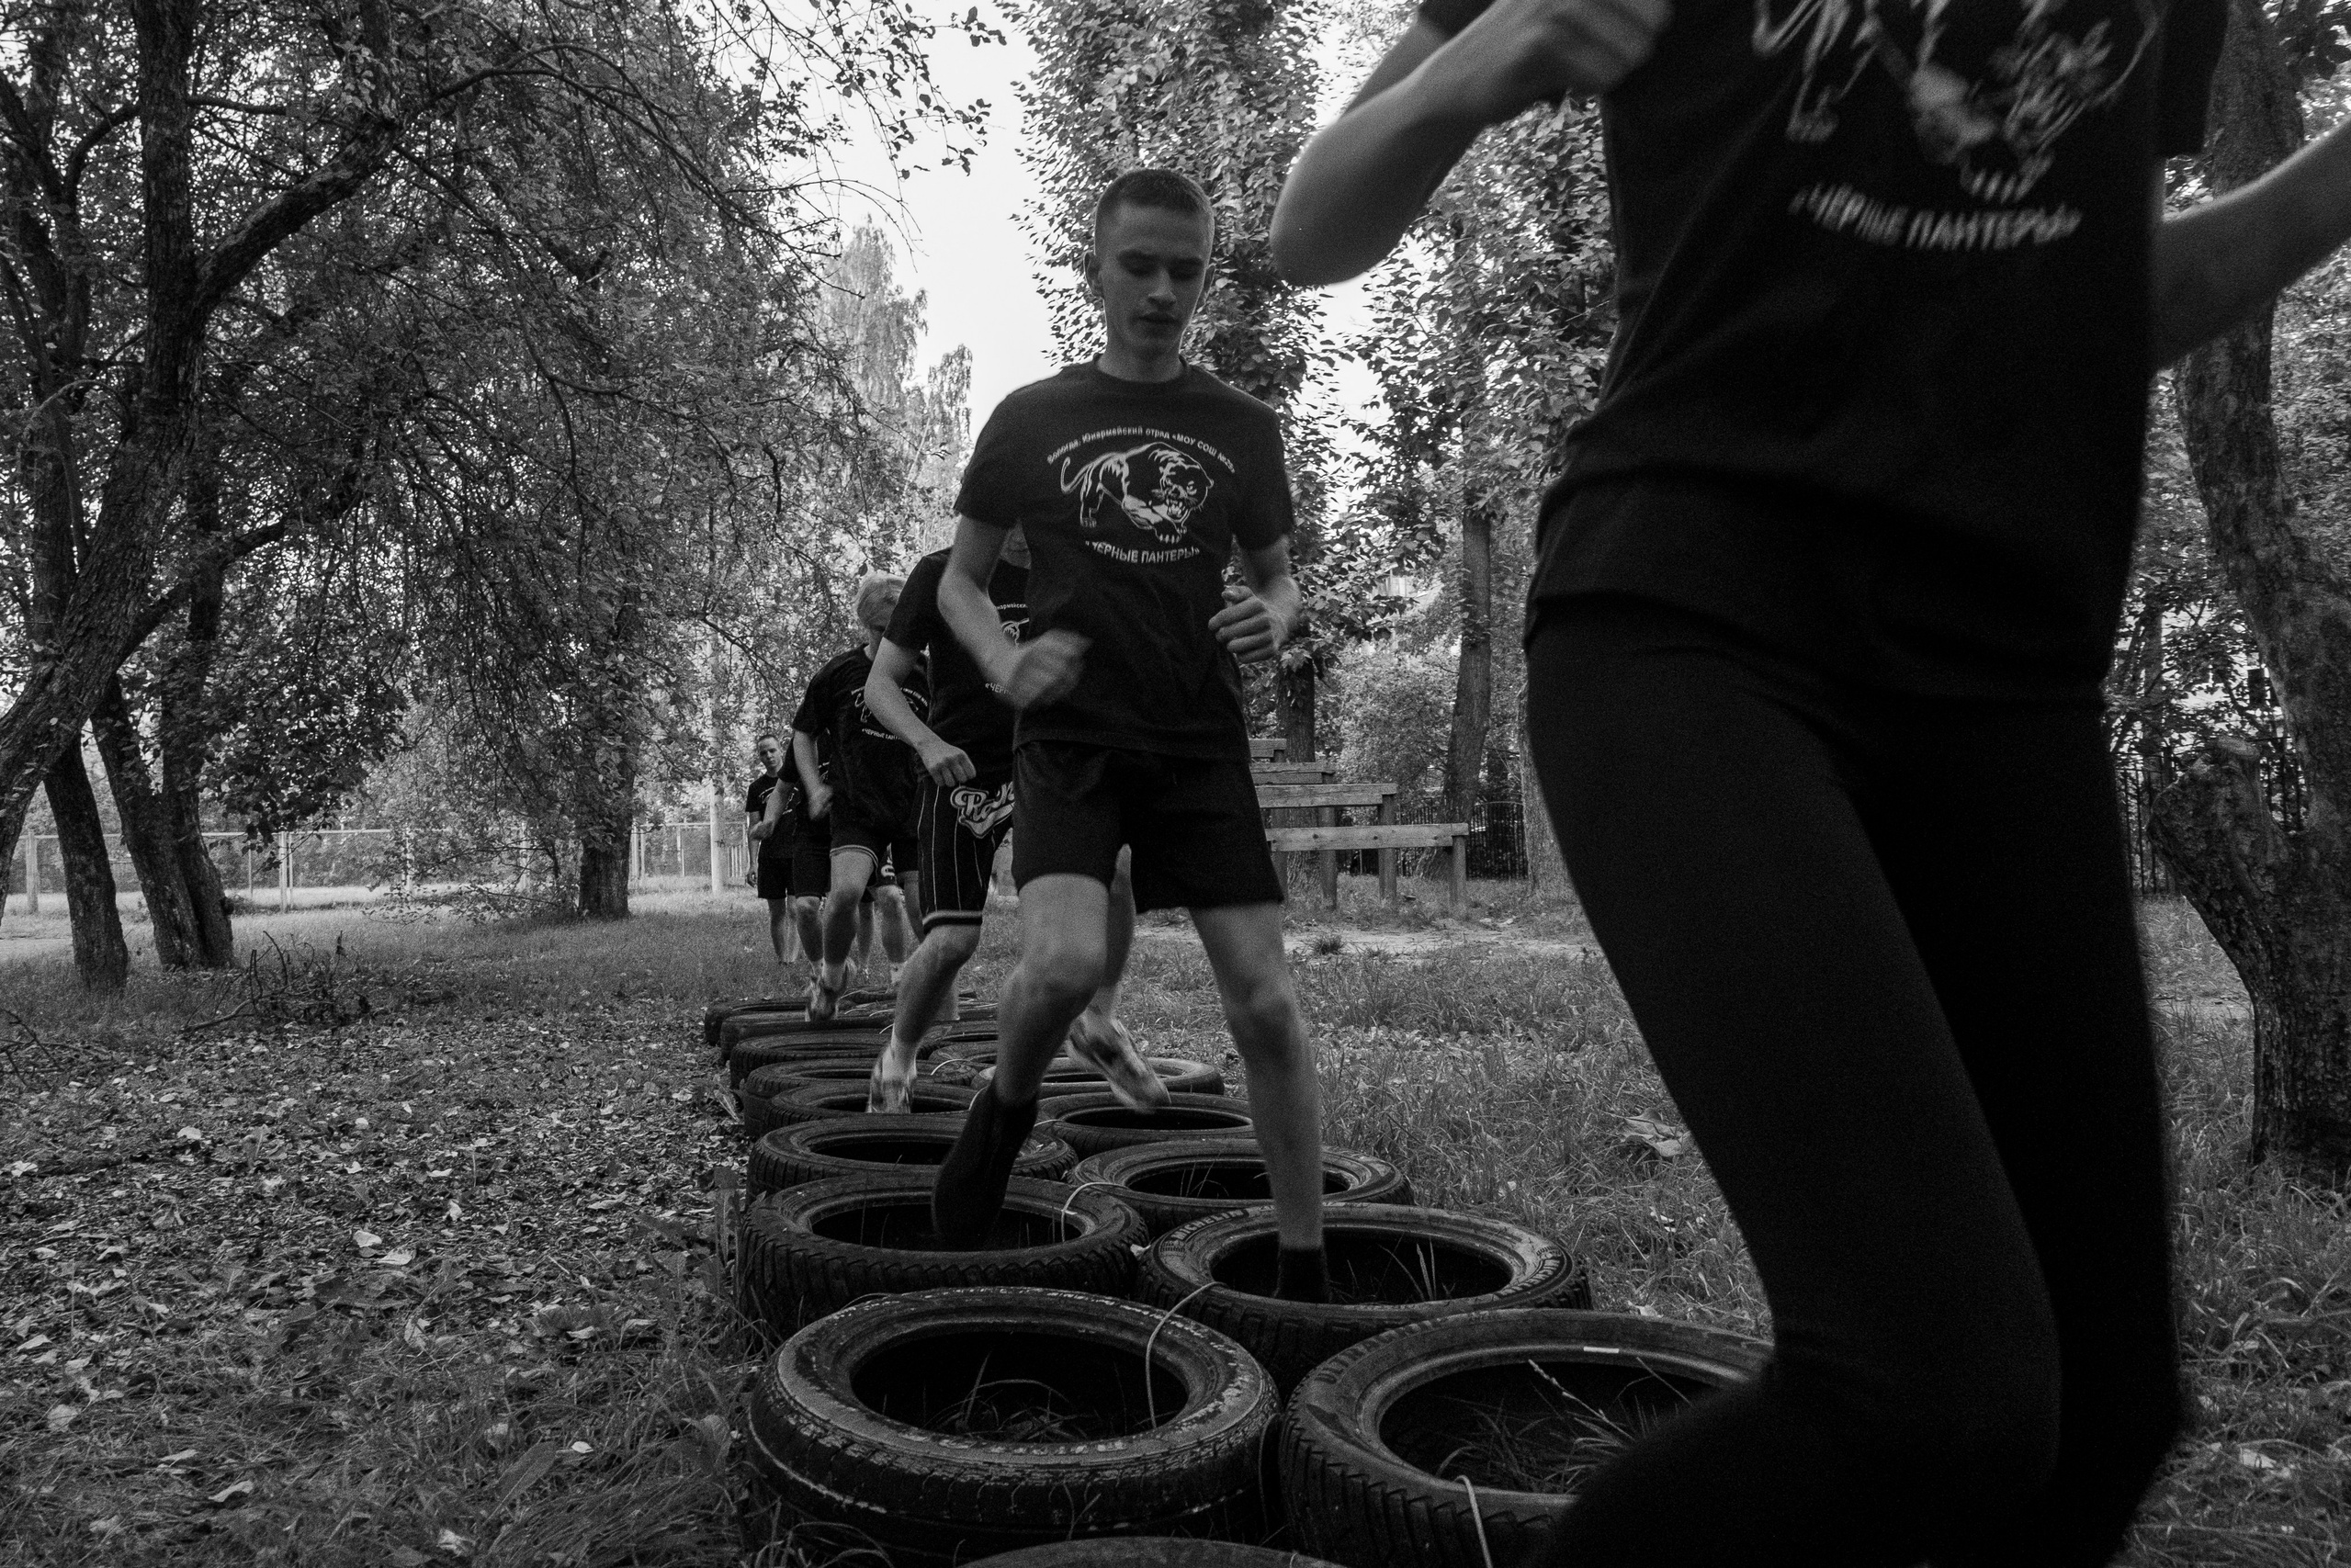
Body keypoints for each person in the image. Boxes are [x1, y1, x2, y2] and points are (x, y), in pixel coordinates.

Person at [1264, 0, 2351, 1557]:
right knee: (1933, 1388)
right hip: (1695, 629)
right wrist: (1482, 59)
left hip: (2000, 679)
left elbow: (2096, 289)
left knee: (2096, 1419)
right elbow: (1313, 224)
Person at [926, 168, 1328, 1300]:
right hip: (1073, 738)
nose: (1162, 290)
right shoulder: (1032, 418)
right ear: (1096, 268)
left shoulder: (1242, 427)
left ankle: (1304, 1269)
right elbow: (961, 585)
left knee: (1266, 1003)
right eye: (1139, 266)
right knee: (1057, 970)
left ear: (1205, 276)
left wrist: (1275, 616)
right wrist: (1005, 663)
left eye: (1186, 271)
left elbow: (1281, 580)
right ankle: (1002, 1115)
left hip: (1198, 740)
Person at [863, 526, 1145, 1113]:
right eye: (1008, 516)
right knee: (953, 941)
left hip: (1047, 764)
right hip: (959, 773)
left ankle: (1096, 1022)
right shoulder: (940, 573)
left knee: (1118, 869)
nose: (1021, 533)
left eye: (1033, 515)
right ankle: (901, 1052)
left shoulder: (1072, 568)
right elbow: (881, 685)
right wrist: (926, 743)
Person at [793, 574, 924, 1020]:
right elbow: (803, 734)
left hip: (914, 804)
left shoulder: (930, 673)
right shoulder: (839, 672)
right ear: (865, 625)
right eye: (880, 630)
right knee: (846, 893)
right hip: (856, 802)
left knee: (926, 909)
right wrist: (813, 788)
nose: (892, 639)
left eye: (900, 629)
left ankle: (932, 1003)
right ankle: (831, 978)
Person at [742, 733, 801, 966]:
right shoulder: (756, 788)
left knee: (797, 909)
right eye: (763, 753)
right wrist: (752, 863)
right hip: (770, 857)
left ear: (781, 751)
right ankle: (782, 959)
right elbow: (753, 828)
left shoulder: (798, 780)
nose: (768, 756)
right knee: (777, 913)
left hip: (797, 854)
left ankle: (793, 959)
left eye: (772, 750)